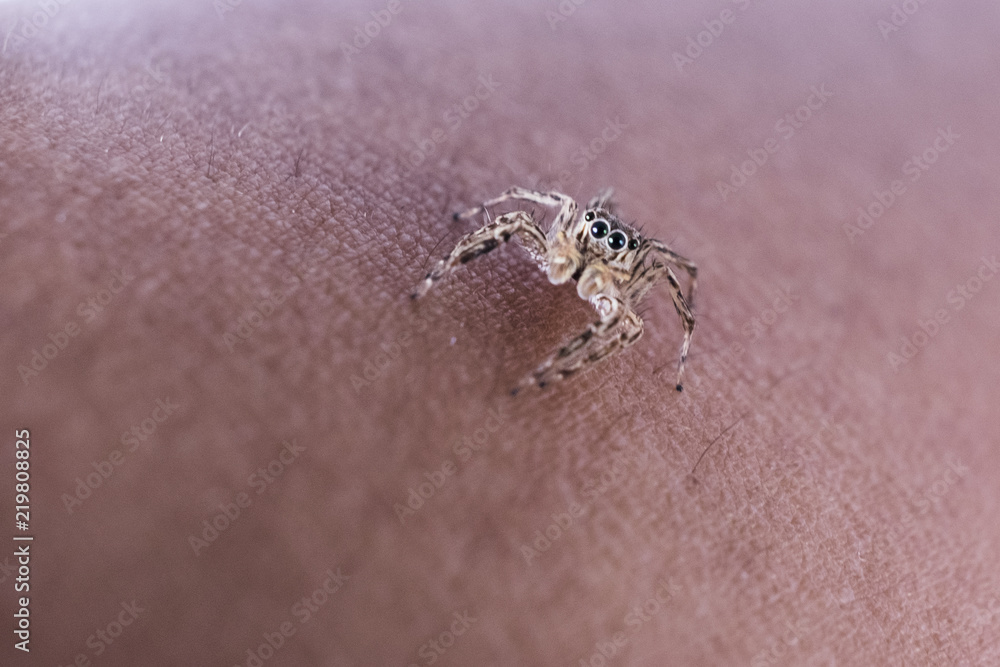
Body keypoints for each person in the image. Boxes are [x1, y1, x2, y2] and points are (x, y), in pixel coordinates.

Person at [5, 0, 998, 664]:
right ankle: (449, 275)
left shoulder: (630, 276)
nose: (589, 245)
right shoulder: (569, 227)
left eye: (605, 244)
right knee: (521, 214)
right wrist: (459, 245)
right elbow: (534, 200)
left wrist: (645, 355)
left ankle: (544, 374)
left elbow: (665, 283)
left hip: (611, 292)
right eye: (592, 235)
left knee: (621, 329)